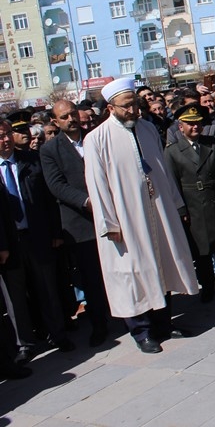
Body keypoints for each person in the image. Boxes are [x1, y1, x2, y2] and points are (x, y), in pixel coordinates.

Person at [84, 78, 199, 353]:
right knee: (133, 273)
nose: (134, 110)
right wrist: (109, 223)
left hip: (158, 210)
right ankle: (141, 331)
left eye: (135, 104)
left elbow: (163, 170)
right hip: (125, 218)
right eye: (127, 107)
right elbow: (97, 186)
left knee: (162, 264)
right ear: (111, 108)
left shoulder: (147, 129)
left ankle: (163, 323)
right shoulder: (96, 139)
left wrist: (175, 203)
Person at [0, 117, 75, 363]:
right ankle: (25, 344)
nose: (7, 139)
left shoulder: (32, 162)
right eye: (1, 136)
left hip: (38, 236)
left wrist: (55, 233)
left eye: (8, 133)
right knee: (16, 296)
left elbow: (49, 201)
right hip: (9, 244)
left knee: (47, 287)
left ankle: (58, 333)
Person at [39, 100, 112, 347]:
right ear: (55, 121)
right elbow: (56, 186)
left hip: (111, 215)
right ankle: (99, 325)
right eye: (64, 117)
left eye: (72, 114)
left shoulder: (94, 138)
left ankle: (129, 314)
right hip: (80, 223)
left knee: (117, 270)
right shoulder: (50, 150)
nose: (71, 119)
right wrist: (86, 201)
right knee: (91, 279)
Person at [165, 103, 215, 303]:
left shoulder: (213, 143)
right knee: (201, 252)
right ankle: (207, 286)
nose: (195, 127)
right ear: (180, 127)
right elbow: (172, 182)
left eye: (198, 123)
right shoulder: (172, 152)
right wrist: (181, 209)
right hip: (193, 206)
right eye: (190, 124)